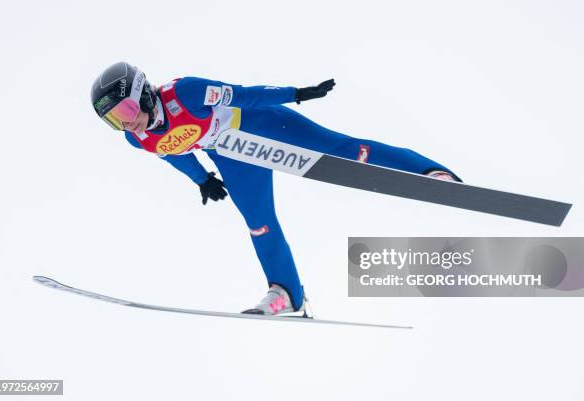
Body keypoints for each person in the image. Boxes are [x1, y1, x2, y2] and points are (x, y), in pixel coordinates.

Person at [91, 62, 460, 317]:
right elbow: (173, 153)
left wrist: (295, 93)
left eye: (124, 109)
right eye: (113, 120)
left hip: (262, 123)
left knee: (346, 151)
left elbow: (244, 95)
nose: (126, 122)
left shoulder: (184, 93)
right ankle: (287, 292)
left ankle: (429, 172)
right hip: (233, 155)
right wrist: (201, 179)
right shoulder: (138, 139)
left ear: (140, 92)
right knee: (259, 224)